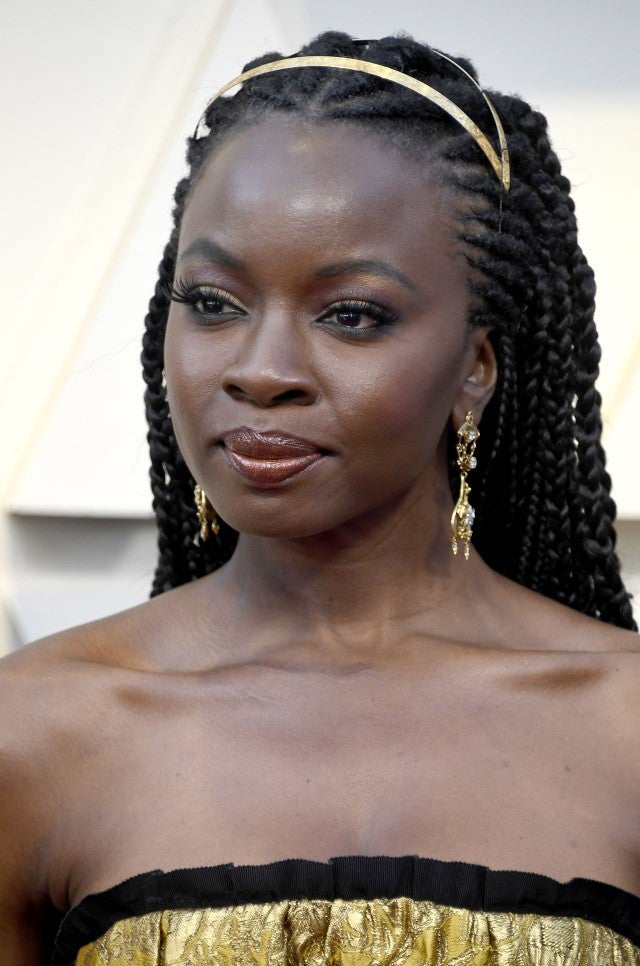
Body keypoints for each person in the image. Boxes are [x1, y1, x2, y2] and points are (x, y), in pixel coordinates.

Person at [1, 29, 639, 966]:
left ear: (475, 365)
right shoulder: (31, 732)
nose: (262, 372)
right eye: (212, 302)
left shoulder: (625, 726)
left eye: (352, 316)